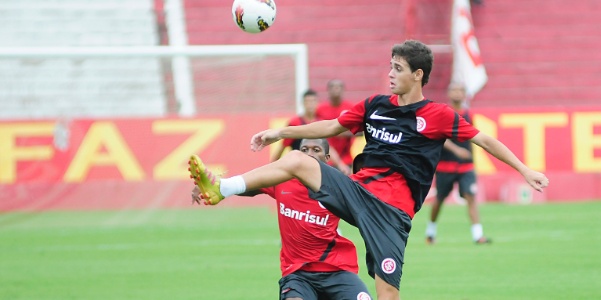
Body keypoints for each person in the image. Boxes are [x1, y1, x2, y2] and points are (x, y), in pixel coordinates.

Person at [189, 40, 549, 300]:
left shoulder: (437, 115)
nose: (389, 74)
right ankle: (222, 187)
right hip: (358, 193)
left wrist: (523, 168)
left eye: (398, 68)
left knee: (388, 292)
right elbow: (330, 127)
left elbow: (484, 139)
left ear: (418, 75)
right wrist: (280, 132)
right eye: (390, 66)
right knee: (299, 160)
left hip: (392, 214)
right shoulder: (374, 105)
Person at [191, 139, 372, 300]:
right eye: (304, 150)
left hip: (337, 270)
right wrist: (215, 185)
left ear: (327, 157)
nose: (309, 154)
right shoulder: (281, 181)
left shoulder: (339, 186)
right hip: (298, 274)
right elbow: (247, 186)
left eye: (316, 150)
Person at [425, 83, 490, 245]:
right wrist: (456, 150)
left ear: (464, 94)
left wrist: (473, 160)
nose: (457, 93)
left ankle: (478, 235)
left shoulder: (468, 114)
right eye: (454, 89)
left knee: (471, 197)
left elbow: (472, 137)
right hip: (445, 166)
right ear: (449, 93)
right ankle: (430, 232)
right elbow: (439, 137)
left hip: (465, 167)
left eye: (460, 90)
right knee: (439, 199)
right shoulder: (443, 114)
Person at [271, 89, 349, 175]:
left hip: (317, 168)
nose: (310, 104)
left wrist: (340, 165)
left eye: (313, 101)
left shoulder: (321, 123)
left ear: (317, 103)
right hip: (299, 168)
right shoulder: (295, 122)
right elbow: (283, 147)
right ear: (303, 103)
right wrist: (271, 166)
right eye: (307, 101)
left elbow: (329, 147)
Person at [316, 79, 355, 174]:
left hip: (346, 158)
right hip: (325, 158)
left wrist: (341, 132)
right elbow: (317, 131)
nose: (335, 89)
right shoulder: (320, 109)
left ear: (343, 90)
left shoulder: (350, 108)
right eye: (332, 87)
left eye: (338, 87)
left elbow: (361, 131)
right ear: (328, 90)